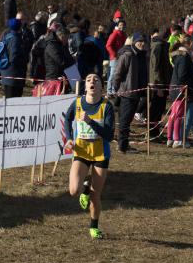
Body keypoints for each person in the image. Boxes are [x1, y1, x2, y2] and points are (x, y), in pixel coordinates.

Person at [63, 73, 114, 240]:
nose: (92, 81)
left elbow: (109, 136)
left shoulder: (107, 106)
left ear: (101, 87)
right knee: (73, 191)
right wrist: (69, 139)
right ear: (85, 86)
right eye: (89, 80)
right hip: (81, 151)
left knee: (95, 195)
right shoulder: (78, 103)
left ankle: (94, 227)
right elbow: (68, 118)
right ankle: (84, 187)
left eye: (96, 80)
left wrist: (90, 121)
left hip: (100, 154)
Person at [112, 32, 149, 153]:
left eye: (143, 42)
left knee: (127, 121)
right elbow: (117, 74)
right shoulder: (127, 55)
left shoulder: (143, 56)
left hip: (137, 93)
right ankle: (122, 147)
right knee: (124, 121)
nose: (142, 44)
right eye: (139, 41)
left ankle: (124, 144)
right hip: (127, 93)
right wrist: (117, 90)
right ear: (134, 42)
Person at [166, 34, 193, 148]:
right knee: (178, 115)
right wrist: (184, 87)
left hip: (175, 88)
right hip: (180, 90)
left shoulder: (179, 56)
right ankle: (177, 139)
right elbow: (182, 75)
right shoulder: (184, 57)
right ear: (190, 44)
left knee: (173, 115)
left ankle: (170, 138)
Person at [148, 27, 172, 139]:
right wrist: (158, 86)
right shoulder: (158, 46)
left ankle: (156, 131)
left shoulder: (162, 45)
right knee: (155, 109)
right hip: (158, 84)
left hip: (163, 82)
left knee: (160, 109)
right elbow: (155, 68)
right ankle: (152, 133)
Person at [0, 18, 27, 98]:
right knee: (14, 99)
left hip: (6, 73)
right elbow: (14, 57)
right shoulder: (15, 39)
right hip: (14, 74)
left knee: (9, 98)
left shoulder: (7, 36)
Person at [105, 18, 127, 94]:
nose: (122, 26)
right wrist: (114, 55)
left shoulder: (124, 35)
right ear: (117, 26)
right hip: (114, 58)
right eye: (120, 25)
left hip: (121, 57)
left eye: (123, 25)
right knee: (112, 75)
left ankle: (115, 91)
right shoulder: (114, 34)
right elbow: (108, 45)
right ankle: (109, 91)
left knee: (118, 74)